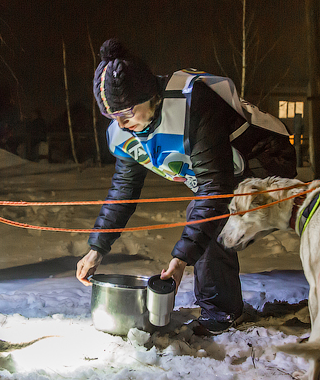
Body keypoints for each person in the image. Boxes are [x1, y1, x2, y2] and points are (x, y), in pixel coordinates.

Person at [76, 38, 297, 336]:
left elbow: (215, 192)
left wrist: (181, 260)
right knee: (205, 212)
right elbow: (123, 191)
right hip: (226, 169)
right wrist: (96, 249)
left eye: (126, 113)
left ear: (148, 95)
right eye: (113, 118)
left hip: (265, 158)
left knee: (207, 212)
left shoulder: (193, 102)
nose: (122, 124)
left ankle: (221, 313)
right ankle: (223, 305)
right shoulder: (124, 132)